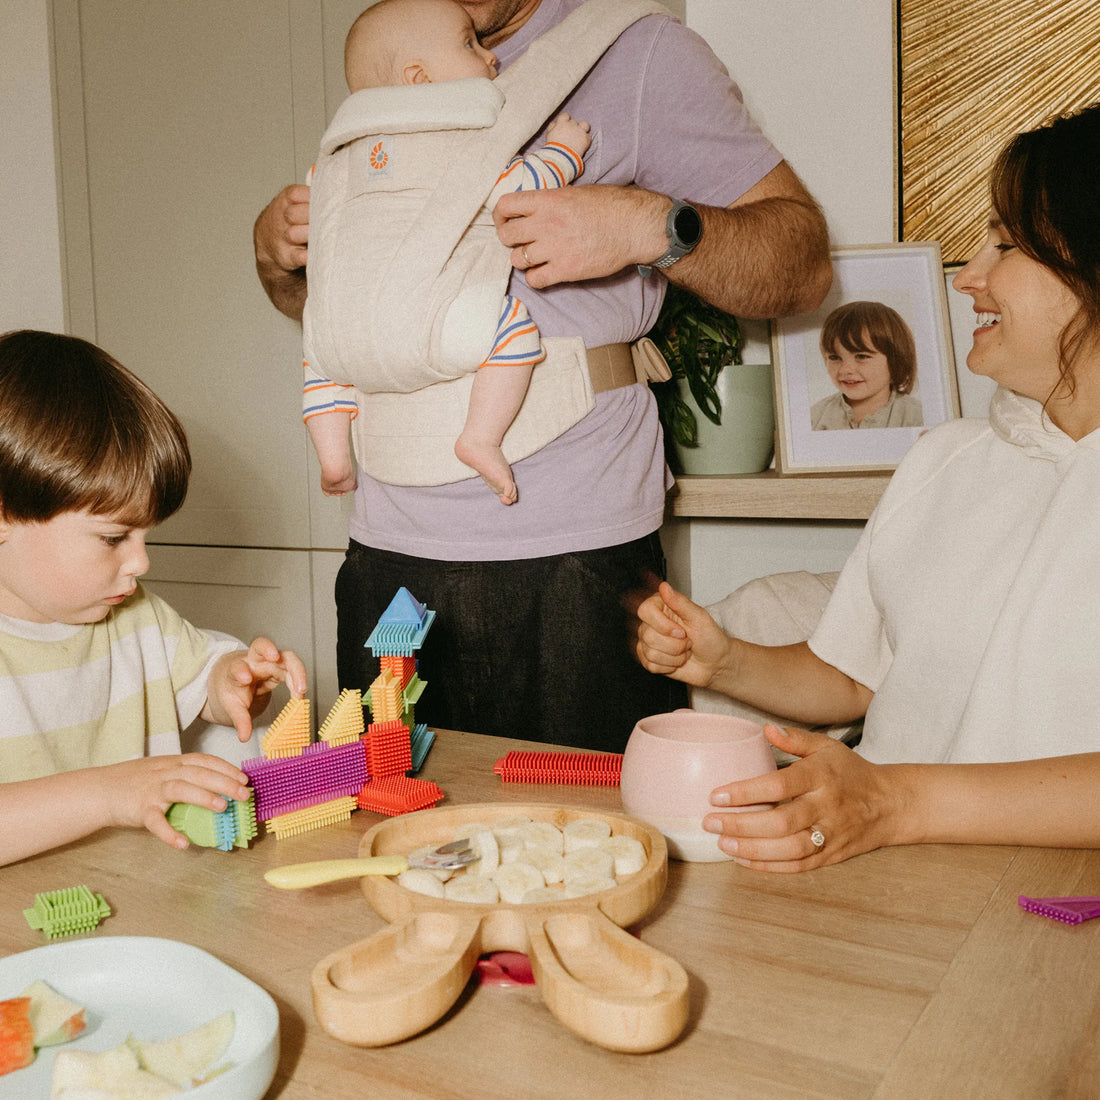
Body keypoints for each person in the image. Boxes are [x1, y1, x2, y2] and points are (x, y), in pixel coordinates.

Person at [254, 0, 832, 752]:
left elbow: (803, 267)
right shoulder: (395, 49)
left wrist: (647, 225)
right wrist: (281, 259)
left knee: (585, 813)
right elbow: (351, 314)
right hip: (385, 542)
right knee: (391, 801)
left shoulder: (638, 55)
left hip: (571, 551)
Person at [630, 103, 1100, 870]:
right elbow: (855, 675)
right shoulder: (946, 460)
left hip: (1049, 909)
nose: (969, 278)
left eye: (1006, 245)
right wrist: (724, 662)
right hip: (880, 877)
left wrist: (894, 801)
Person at [0, 330, 307, 867]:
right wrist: (109, 792)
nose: (141, 563)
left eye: (146, 536)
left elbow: (203, 683)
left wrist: (232, 682)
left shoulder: (135, 615)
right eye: (114, 537)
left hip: (142, 890)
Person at [305, 0, 592, 506]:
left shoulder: (331, 162)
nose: (490, 56)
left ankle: (333, 457)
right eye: (469, 44)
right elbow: (520, 191)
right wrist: (563, 151)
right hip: (429, 327)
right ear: (420, 79)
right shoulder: (462, 139)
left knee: (320, 357)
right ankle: (480, 436)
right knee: (513, 329)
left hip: (339, 339)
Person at [810, 300, 923, 429]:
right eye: (834, 357)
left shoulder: (916, 418)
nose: (845, 370)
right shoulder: (816, 417)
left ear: (895, 360)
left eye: (862, 356)